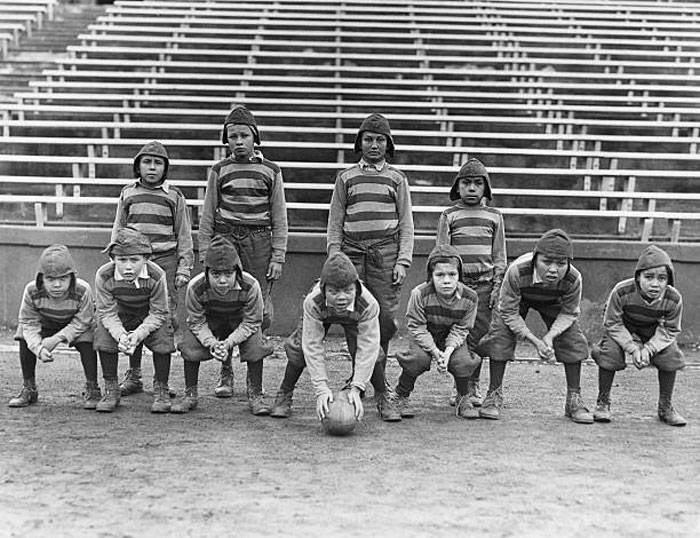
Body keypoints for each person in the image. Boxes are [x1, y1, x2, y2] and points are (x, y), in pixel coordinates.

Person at [327, 113, 414, 418]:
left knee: (385, 319)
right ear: (359, 143)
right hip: (351, 254)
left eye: (380, 140)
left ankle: (378, 384)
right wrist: (335, 256)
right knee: (354, 316)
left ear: (388, 144)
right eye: (368, 139)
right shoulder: (346, 178)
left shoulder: (397, 179)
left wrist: (403, 260)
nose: (374, 145)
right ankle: (367, 382)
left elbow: (406, 224)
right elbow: (335, 222)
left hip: (385, 255)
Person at [198, 105, 288, 399]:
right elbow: (208, 214)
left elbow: (279, 217)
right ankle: (226, 371)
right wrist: (205, 252)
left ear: (255, 138)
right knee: (223, 304)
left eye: (244, 136)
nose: (238, 141)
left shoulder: (271, 171)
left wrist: (277, 256)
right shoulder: (219, 170)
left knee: (258, 308)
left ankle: (255, 378)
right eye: (232, 136)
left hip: (259, 241)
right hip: (225, 239)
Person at [479, 228, 593, 424]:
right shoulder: (516, 271)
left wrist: (550, 336)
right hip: (518, 300)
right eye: (546, 262)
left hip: (553, 301)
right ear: (535, 259)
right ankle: (493, 394)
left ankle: (574, 399)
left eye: (561, 263)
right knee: (500, 336)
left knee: (573, 339)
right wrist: (533, 339)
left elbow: (569, 312)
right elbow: (508, 311)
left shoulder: (574, 278)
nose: (553, 270)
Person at [269, 252, 395, 422]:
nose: (342, 297)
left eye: (348, 290)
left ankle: (382, 396)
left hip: (354, 317)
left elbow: (368, 347)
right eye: (334, 291)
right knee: (298, 349)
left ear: (356, 287)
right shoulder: (313, 302)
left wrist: (357, 387)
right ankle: (285, 393)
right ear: (323, 288)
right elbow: (312, 346)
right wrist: (321, 389)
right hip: (324, 313)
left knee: (374, 353)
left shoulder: (368, 304)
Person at [111, 141, 193, 398]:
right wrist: (117, 260)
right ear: (138, 165)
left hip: (165, 262)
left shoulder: (175, 196)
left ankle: (161, 381)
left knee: (164, 320)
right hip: (134, 264)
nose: (152, 167)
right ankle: (134, 375)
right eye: (147, 162)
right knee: (133, 314)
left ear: (165, 168)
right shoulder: (127, 194)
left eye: (158, 163)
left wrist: (184, 267)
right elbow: (118, 229)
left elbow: (184, 235)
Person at [172, 236, 273, 415]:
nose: (223, 281)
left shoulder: (251, 286)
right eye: (216, 274)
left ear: (237, 271)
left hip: (240, 321)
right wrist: (212, 342)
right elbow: (196, 321)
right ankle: (190, 394)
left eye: (228, 274)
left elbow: (252, 321)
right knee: (189, 344)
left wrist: (229, 342)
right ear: (207, 272)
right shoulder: (195, 287)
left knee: (257, 344)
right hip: (211, 321)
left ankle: (256, 394)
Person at [437, 158, 506, 407]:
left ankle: (473, 383)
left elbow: (499, 256)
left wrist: (498, 286)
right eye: (466, 183)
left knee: (478, 337)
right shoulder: (449, 215)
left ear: (486, 188)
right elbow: (441, 255)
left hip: (485, 286)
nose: (472, 188)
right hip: (458, 288)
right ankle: (460, 387)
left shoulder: (494, 216)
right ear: (458, 187)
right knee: (459, 338)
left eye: (478, 183)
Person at [591, 245, 686, 426]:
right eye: (648, 277)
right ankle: (603, 402)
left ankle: (665, 406)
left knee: (671, 355)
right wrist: (633, 348)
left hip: (652, 327)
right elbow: (612, 322)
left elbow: (671, 329)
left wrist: (649, 348)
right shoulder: (621, 291)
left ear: (668, 280)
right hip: (622, 324)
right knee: (610, 354)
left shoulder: (673, 298)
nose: (655, 284)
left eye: (662, 278)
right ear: (638, 277)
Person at [393, 245, 481, 419]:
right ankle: (400, 396)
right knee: (418, 359)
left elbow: (462, 328)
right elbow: (417, 326)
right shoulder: (419, 294)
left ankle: (463, 397)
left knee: (462, 360)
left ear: (459, 276)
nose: (446, 280)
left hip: (452, 335)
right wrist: (434, 351)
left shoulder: (470, 297)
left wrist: (447, 352)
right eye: (440, 275)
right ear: (430, 276)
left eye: (452, 275)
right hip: (425, 332)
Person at [93, 227, 175, 413]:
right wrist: (121, 334)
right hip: (120, 314)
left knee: (163, 333)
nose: (128, 266)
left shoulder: (156, 275)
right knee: (102, 331)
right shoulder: (104, 275)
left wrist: (139, 333)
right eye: (122, 260)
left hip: (149, 314)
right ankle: (112, 389)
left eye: (135, 260)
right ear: (113, 259)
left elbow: (159, 312)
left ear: (146, 259)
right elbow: (106, 312)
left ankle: (161, 387)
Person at [10, 245, 100, 409]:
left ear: (71, 277)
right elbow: (29, 322)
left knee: (89, 336)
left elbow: (83, 321)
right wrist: (38, 348)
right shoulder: (31, 290)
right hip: (45, 324)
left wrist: (57, 339)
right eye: (50, 279)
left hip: (75, 325)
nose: (57, 285)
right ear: (41, 278)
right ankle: (29, 387)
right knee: (23, 334)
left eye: (63, 279)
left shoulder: (82, 289)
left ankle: (92, 387)